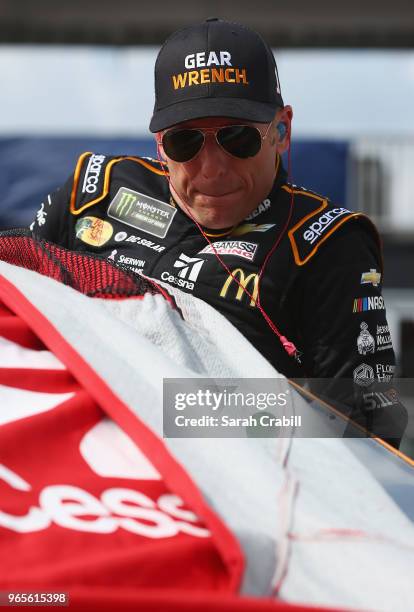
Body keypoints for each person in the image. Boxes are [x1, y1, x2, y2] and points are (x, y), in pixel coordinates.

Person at [29, 17, 406, 445]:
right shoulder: (92, 191)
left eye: (238, 139)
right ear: (158, 143)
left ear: (282, 131)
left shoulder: (326, 243)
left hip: (226, 493)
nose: (212, 169)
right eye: (185, 143)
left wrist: (168, 404)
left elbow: (373, 429)